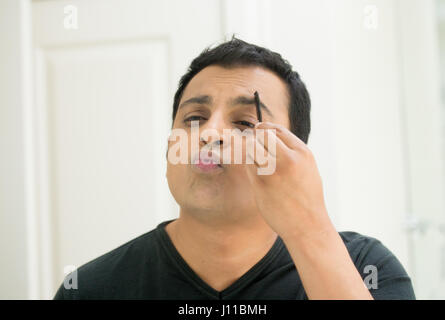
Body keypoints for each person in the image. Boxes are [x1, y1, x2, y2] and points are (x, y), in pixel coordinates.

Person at [54, 37, 416, 300]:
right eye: (194, 118)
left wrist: (310, 231)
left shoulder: (367, 270)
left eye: (244, 123)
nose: (209, 134)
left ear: (294, 155)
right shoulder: (90, 290)